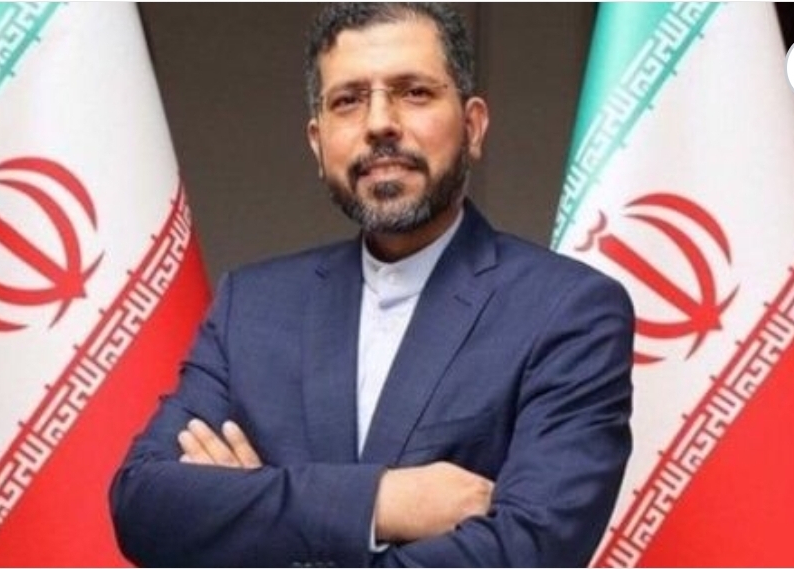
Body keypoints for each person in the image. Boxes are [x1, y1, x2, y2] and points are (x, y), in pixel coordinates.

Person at [109, 3, 634, 567]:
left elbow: (529, 549)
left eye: (414, 92)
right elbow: (144, 503)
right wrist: (382, 501)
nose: (379, 123)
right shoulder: (252, 309)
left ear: (474, 127)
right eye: (348, 100)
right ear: (318, 143)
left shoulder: (568, 310)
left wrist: (254, 518)